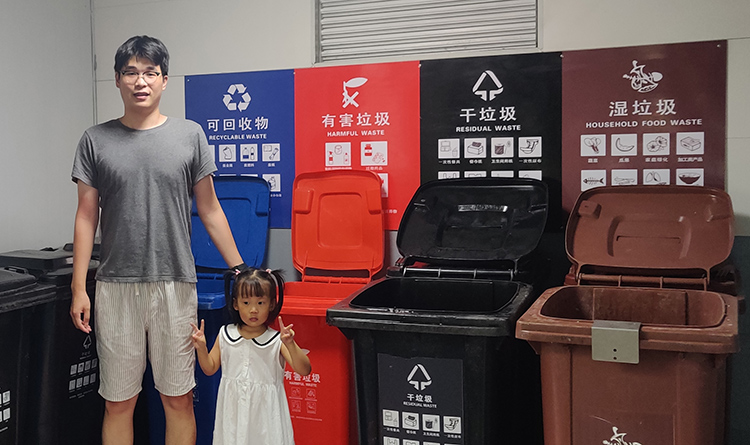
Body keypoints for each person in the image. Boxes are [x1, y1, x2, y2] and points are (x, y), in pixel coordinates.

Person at [69, 35, 246, 445]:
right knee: (118, 401)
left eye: (150, 72)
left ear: (165, 80)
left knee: (178, 398)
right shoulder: (95, 139)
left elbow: (210, 209)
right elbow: (85, 215)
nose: (140, 81)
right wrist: (80, 287)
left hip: (175, 285)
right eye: (130, 72)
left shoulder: (190, 135)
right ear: (117, 80)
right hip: (114, 287)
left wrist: (240, 267)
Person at [190, 268, 311, 445]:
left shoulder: (276, 340)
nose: (253, 310)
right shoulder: (225, 334)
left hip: (266, 417)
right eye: (246, 303)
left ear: (271, 304)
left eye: (260, 303)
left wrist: (290, 344)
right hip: (233, 414)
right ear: (236, 304)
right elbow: (209, 369)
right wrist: (201, 348)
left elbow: (304, 370)